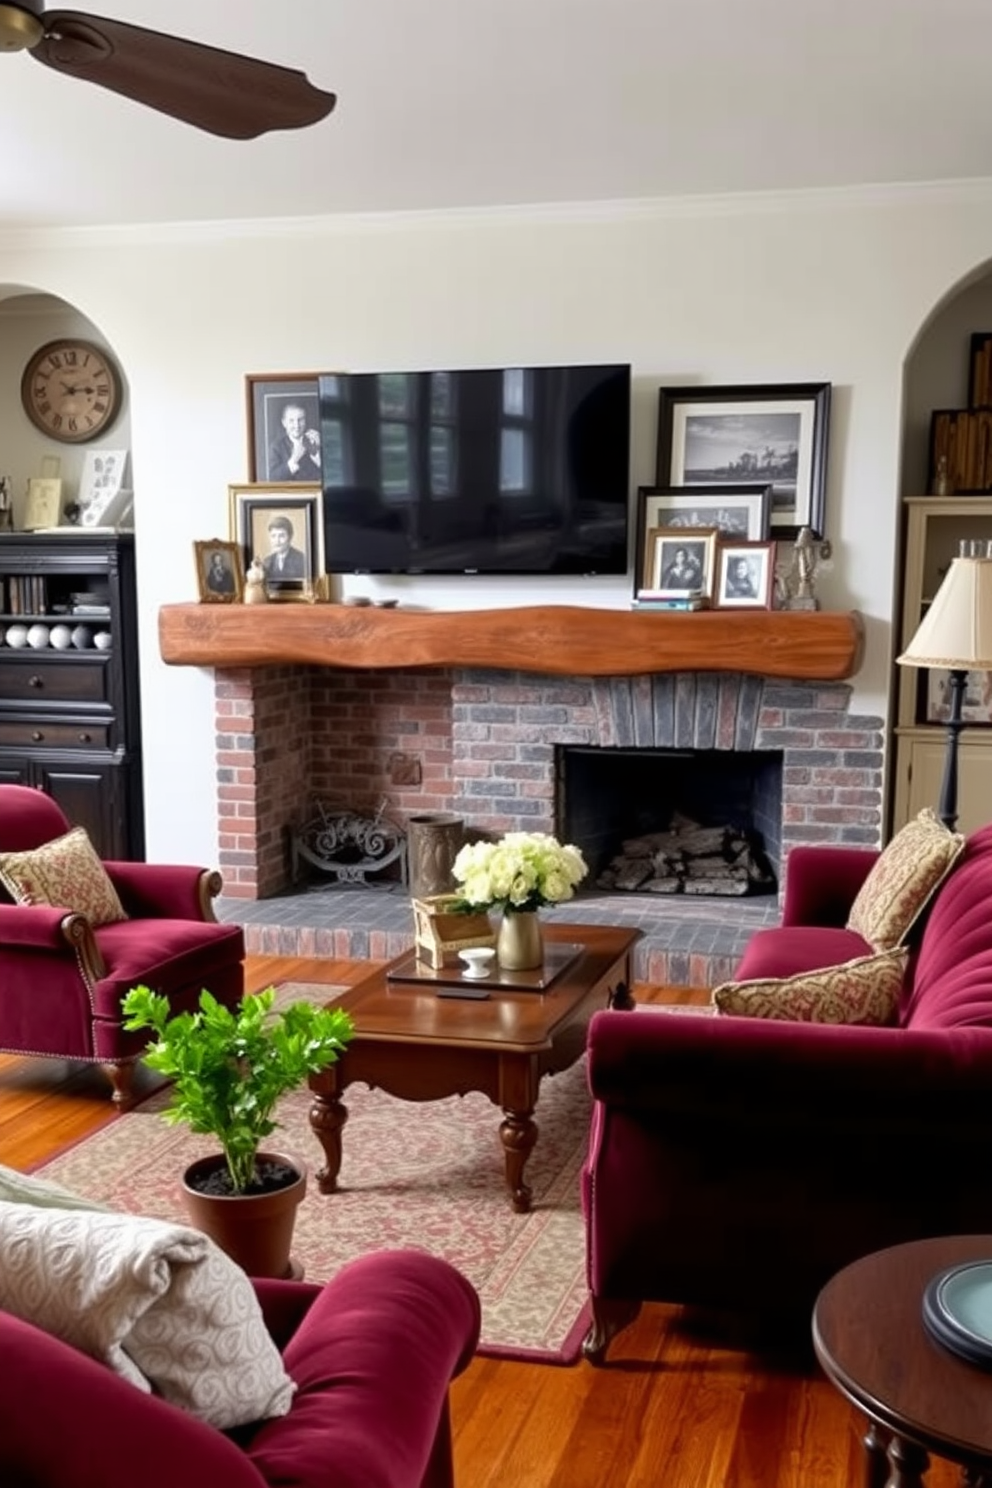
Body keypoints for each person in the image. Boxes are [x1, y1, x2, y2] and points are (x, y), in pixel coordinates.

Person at [267, 402, 321, 482]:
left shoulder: (316, 441)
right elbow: (273, 479)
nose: (297, 425)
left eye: (300, 420)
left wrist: (318, 453)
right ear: (284, 423)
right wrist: (294, 458)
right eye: (291, 421)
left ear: (305, 421)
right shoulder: (276, 447)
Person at [261, 514, 307, 580]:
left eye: (281, 536)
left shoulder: (301, 560)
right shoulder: (267, 561)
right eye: (273, 536)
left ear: (290, 537)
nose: (277, 541)